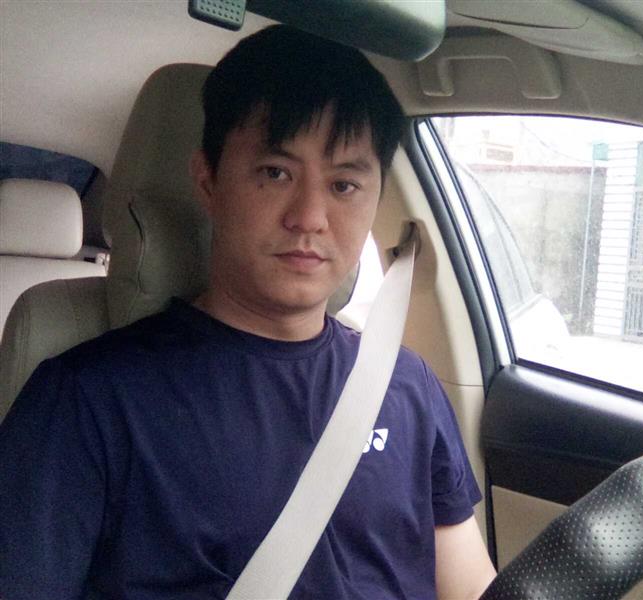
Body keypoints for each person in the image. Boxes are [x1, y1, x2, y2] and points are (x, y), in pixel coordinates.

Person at [0, 25, 496, 599]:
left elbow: (470, 587)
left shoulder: (406, 384)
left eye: (344, 185)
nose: (310, 217)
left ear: (376, 199)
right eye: (275, 173)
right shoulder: (88, 402)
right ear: (208, 181)